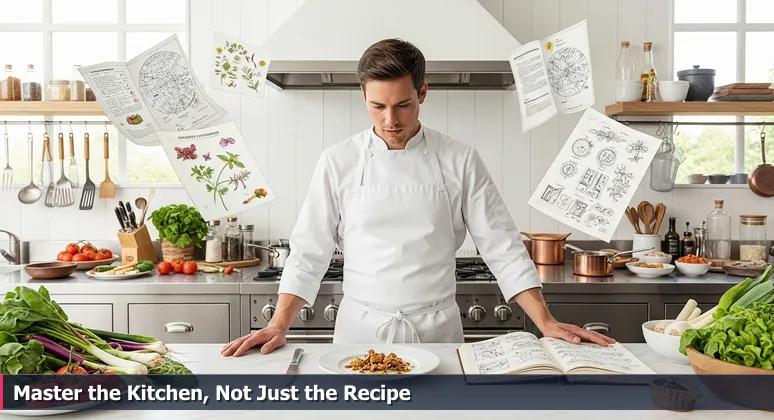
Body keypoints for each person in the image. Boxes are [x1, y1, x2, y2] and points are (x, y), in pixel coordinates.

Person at [222, 38, 615, 357]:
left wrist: (545, 321)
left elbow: (503, 248)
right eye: (377, 106)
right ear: (363, 97)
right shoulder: (337, 161)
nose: (390, 120)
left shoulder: (459, 159)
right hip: (359, 331)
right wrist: (278, 324)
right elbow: (309, 253)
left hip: (438, 332)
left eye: (402, 105)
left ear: (422, 93)